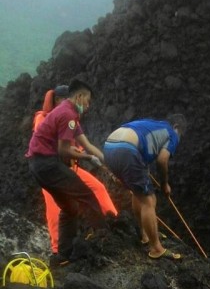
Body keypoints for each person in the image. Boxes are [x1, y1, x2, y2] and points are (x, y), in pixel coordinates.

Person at [26, 79, 107, 262]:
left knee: (69, 207)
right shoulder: (67, 114)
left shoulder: (71, 115)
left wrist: (105, 160)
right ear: (79, 96)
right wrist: (87, 158)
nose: (88, 106)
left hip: (38, 166)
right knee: (87, 195)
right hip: (47, 164)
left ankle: (63, 255)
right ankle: (105, 239)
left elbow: (86, 144)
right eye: (87, 101)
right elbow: (64, 150)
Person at [103, 116, 186, 260]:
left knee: (138, 192)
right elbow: (162, 159)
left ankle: (145, 235)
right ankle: (156, 249)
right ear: (177, 126)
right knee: (149, 200)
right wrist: (164, 183)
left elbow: (144, 148)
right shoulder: (172, 133)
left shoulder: (153, 125)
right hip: (127, 150)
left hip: (109, 147)